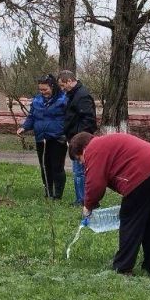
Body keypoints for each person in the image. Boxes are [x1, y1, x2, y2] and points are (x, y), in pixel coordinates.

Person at [69, 132, 150, 276]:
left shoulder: (93, 148)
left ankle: (123, 268)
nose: (82, 164)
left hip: (142, 174)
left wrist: (88, 206)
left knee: (130, 220)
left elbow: (95, 185)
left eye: (79, 159)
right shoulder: (105, 143)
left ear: (82, 149)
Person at [16, 74, 68, 199]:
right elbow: (32, 117)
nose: (43, 92)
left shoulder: (64, 99)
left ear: (53, 87)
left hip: (57, 138)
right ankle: (48, 191)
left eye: (45, 89)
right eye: (40, 89)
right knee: (45, 165)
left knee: (57, 166)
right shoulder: (37, 100)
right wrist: (24, 127)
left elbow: (69, 118)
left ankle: (58, 194)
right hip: (41, 138)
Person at [57, 70, 97, 205]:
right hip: (74, 138)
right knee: (79, 171)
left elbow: (88, 120)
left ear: (69, 81)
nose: (62, 89)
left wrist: (79, 139)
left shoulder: (82, 95)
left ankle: (83, 200)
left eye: (63, 85)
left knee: (80, 172)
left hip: (80, 141)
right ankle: (83, 199)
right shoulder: (73, 95)